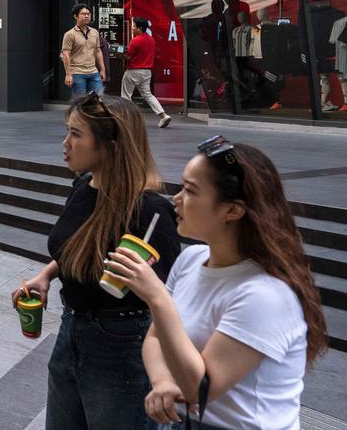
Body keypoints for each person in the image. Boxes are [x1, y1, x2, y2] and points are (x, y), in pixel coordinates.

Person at [104, 136, 327, 430]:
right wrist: (162, 382)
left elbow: (201, 389)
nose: (177, 198)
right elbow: (156, 338)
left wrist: (157, 297)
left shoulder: (263, 294)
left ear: (232, 211)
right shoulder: (191, 259)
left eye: (190, 190)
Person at [11, 93, 182, 429]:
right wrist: (47, 275)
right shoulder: (83, 186)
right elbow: (83, 244)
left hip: (121, 341)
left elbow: (172, 297)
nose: (65, 143)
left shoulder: (149, 212)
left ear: (112, 145)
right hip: (71, 331)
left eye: (76, 134)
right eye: (67, 131)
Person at [122, 17, 173, 128]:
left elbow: (127, 55)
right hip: (147, 72)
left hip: (133, 71)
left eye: (134, 26)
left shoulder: (135, 40)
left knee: (126, 96)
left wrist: (119, 54)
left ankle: (126, 119)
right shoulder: (151, 39)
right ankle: (163, 115)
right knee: (148, 95)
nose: (132, 28)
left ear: (140, 28)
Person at [61, 3, 106, 97]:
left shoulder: (94, 32)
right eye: (83, 14)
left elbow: (98, 51)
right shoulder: (69, 34)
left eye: (88, 14)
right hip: (77, 73)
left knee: (99, 100)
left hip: (94, 72)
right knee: (80, 103)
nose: (87, 16)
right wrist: (68, 74)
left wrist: (102, 69)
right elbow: (66, 54)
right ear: (75, 16)